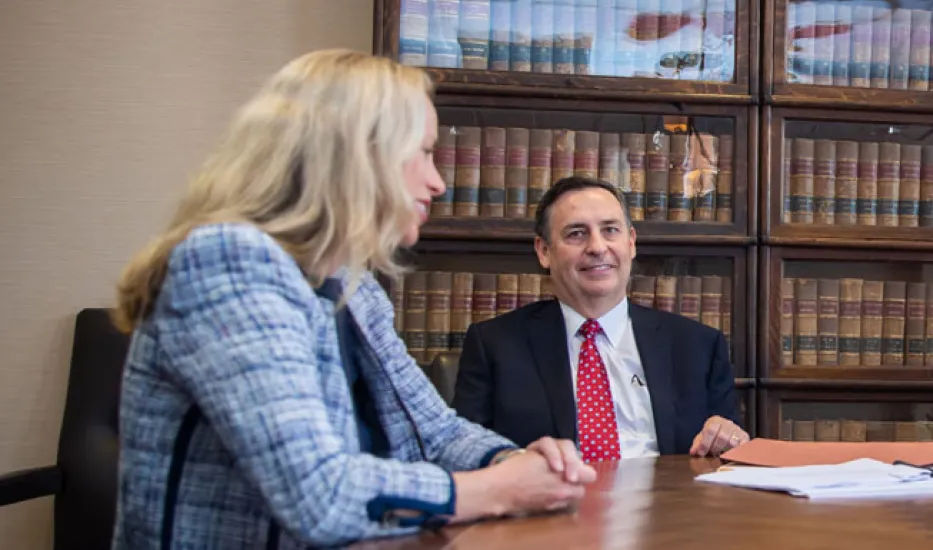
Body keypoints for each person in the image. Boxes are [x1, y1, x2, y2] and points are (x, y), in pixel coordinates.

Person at [112, 50, 594, 549]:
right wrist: (498, 491)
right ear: (356, 154)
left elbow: (434, 430)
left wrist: (513, 461)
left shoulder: (351, 285)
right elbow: (317, 496)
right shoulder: (228, 262)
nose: (438, 181)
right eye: (423, 152)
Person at [453, 177, 747, 460]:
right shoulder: (494, 344)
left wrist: (729, 439)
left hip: (667, 505)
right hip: (551, 505)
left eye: (610, 230)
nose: (596, 247)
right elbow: (464, 449)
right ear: (544, 251)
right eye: (576, 233)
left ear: (631, 243)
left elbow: (726, 451)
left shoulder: (697, 346)